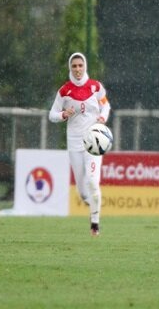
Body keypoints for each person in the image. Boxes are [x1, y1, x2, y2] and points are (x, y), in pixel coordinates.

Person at [49, 52, 111, 236]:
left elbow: (105, 105)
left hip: (93, 141)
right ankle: (89, 202)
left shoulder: (95, 87)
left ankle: (95, 223)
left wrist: (102, 117)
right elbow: (51, 115)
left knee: (93, 182)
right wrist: (63, 115)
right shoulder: (64, 91)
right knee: (83, 191)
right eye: (74, 66)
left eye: (80, 65)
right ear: (70, 68)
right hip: (74, 142)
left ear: (85, 67)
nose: (77, 69)